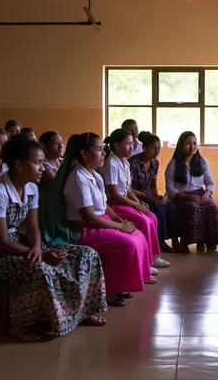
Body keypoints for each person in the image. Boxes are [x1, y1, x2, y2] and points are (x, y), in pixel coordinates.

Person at [0, 135, 107, 342]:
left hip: (21, 242)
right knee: (39, 268)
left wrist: (39, 247)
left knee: (85, 254)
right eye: (37, 163)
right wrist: (42, 255)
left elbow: (32, 226)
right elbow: (0, 241)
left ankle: (80, 312)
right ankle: (21, 325)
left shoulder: (30, 188)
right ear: (19, 165)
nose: (42, 168)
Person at [41, 132, 156, 309]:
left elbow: (103, 205)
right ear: (84, 153)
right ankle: (109, 288)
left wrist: (119, 219)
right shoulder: (78, 177)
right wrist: (119, 226)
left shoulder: (95, 175)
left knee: (137, 236)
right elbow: (89, 217)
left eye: (103, 149)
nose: (103, 153)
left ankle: (119, 284)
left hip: (98, 221)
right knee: (128, 243)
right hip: (82, 229)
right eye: (98, 149)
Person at [103, 129, 169, 270]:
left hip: (125, 201)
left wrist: (138, 203)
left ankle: (153, 256)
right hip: (115, 205)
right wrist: (135, 205)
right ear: (116, 145)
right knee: (144, 221)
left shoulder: (125, 162)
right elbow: (115, 194)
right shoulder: (111, 163)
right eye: (128, 144)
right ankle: (145, 261)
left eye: (132, 144)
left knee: (152, 216)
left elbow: (127, 189)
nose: (132, 148)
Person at [165, 131, 218, 253]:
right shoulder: (173, 164)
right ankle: (187, 241)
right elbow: (170, 188)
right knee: (193, 208)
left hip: (200, 193)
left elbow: (210, 183)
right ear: (181, 145)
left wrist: (207, 193)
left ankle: (208, 241)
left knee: (211, 207)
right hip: (181, 196)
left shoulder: (203, 162)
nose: (192, 147)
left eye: (194, 143)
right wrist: (187, 197)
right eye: (188, 143)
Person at [130, 131, 180, 253]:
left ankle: (175, 240)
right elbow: (129, 188)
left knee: (171, 207)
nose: (157, 152)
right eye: (154, 149)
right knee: (158, 209)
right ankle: (160, 241)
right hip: (136, 196)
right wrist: (150, 198)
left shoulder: (155, 163)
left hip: (149, 195)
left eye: (159, 149)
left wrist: (158, 195)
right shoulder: (133, 163)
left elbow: (153, 185)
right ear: (144, 148)